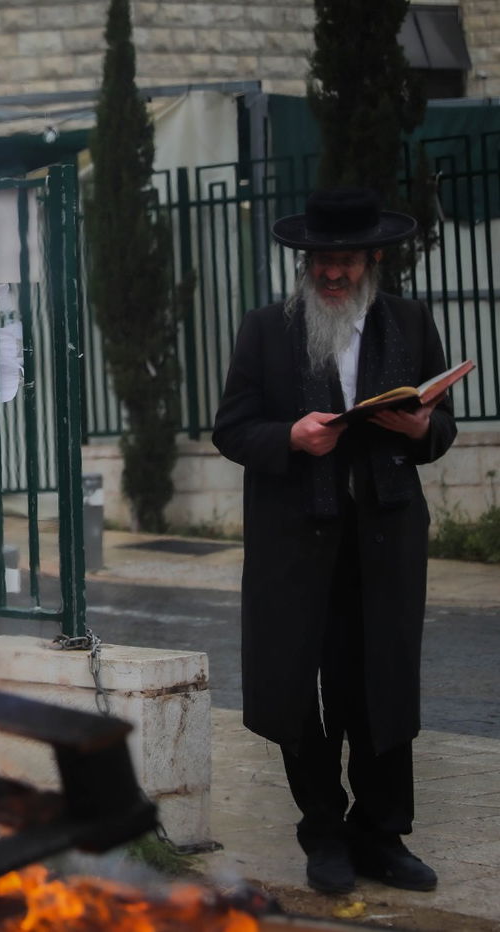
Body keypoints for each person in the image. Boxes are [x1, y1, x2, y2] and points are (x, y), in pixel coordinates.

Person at [213, 187, 457, 895]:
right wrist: (290, 435)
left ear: (372, 258)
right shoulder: (266, 329)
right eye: (320, 262)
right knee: (298, 689)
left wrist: (421, 431)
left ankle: (382, 835)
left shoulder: (409, 322)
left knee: (379, 685)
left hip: (384, 540)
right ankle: (324, 833)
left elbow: (441, 430)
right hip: (296, 542)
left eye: (345, 262)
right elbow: (232, 428)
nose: (331, 275)